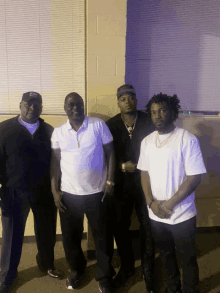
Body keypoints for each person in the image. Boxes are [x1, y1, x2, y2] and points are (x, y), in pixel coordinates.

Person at [137, 93, 207, 293]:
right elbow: (144, 174)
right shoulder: (147, 142)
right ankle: (172, 287)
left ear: (173, 112)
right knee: (166, 255)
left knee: (187, 258)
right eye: (153, 112)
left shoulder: (187, 139)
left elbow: (194, 178)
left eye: (162, 110)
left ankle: (190, 289)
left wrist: (169, 204)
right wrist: (151, 203)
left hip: (182, 214)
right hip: (156, 214)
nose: (157, 115)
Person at [51, 92, 116, 293]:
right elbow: (54, 163)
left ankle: (104, 276)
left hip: (98, 193)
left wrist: (110, 181)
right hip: (69, 195)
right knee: (71, 238)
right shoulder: (58, 132)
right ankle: (77, 271)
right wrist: (54, 191)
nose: (75, 107)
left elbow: (111, 153)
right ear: (65, 108)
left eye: (79, 104)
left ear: (83, 105)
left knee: (102, 236)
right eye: (70, 104)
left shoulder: (98, 125)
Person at [0, 92, 62, 293]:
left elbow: (55, 163)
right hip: (13, 192)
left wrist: (55, 189)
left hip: (43, 192)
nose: (31, 108)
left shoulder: (49, 130)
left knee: (46, 233)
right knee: (12, 237)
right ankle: (7, 275)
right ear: (20, 105)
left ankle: (46, 264)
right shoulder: (4, 128)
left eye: (36, 105)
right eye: (28, 104)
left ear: (41, 108)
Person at [106, 84, 155, 292]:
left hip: (146, 183)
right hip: (121, 184)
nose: (128, 101)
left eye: (131, 97)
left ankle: (148, 267)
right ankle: (127, 266)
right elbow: (104, 156)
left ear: (137, 99)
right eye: (123, 98)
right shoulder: (111, 125)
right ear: (118, 102)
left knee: (148, 226)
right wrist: (120, 166)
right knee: (120, 226)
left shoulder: (148, 121)